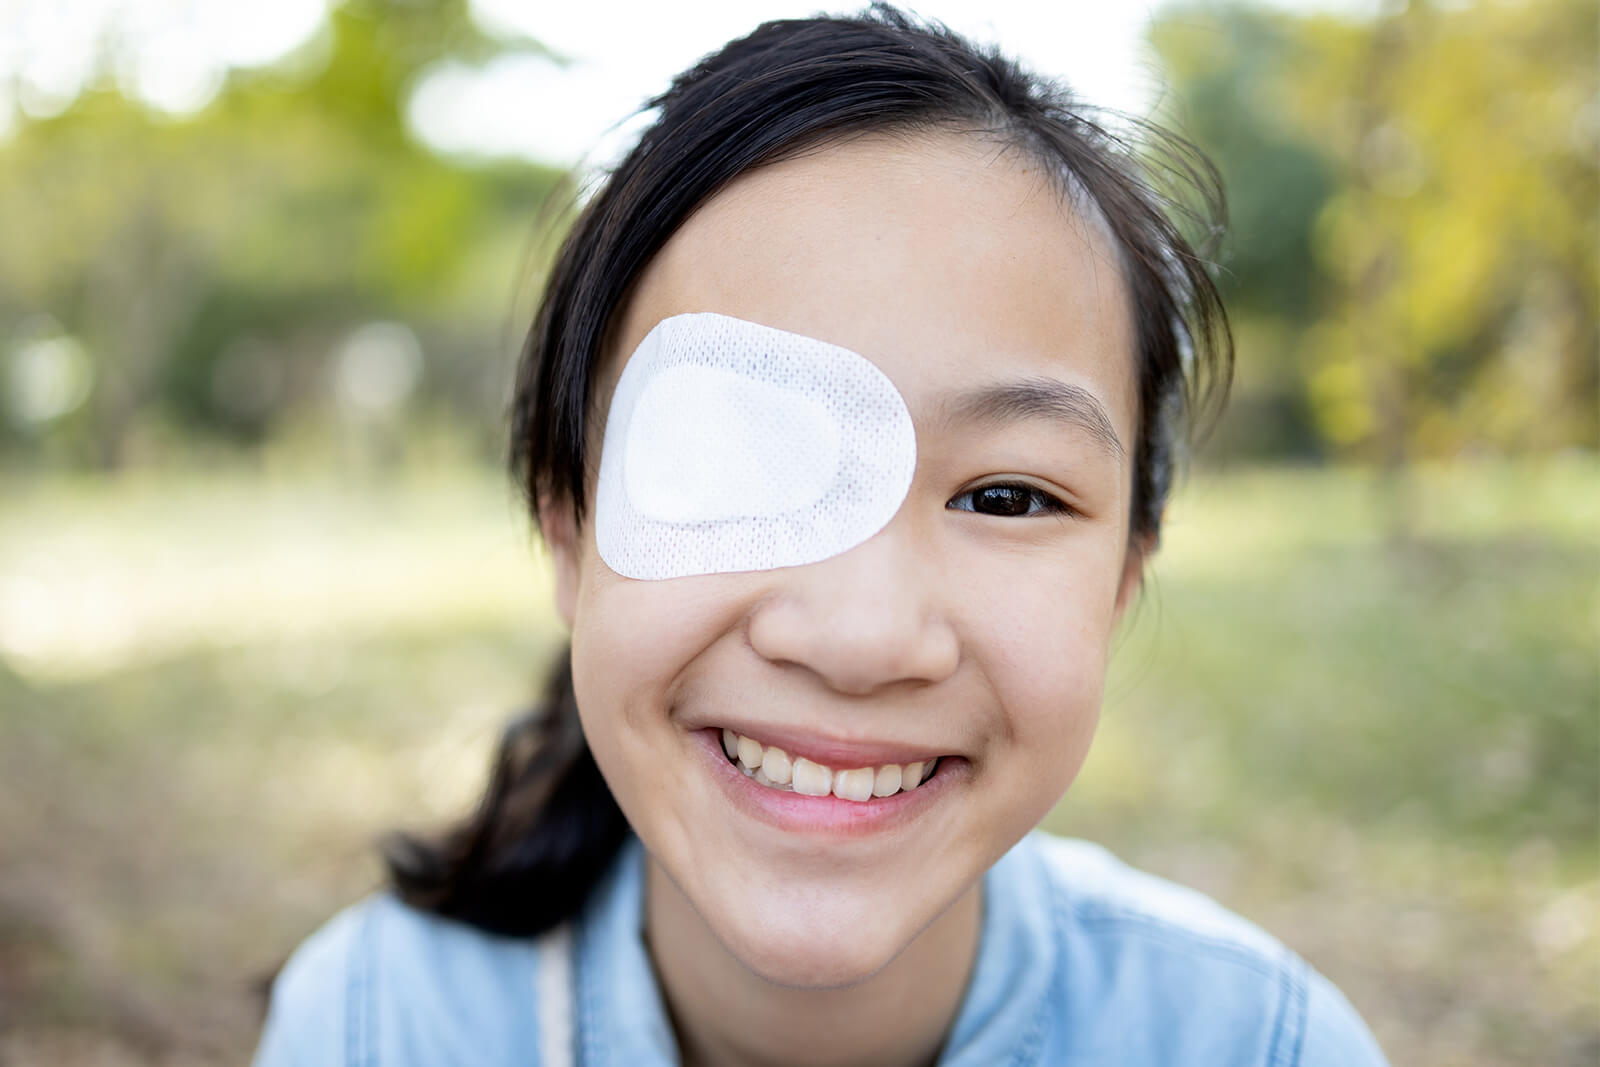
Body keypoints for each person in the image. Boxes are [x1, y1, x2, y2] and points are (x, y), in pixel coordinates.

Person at [253, 7, 1389, 1065]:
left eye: (1004, 497)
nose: (859, 635)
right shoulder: (371, 1024)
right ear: (568, 528)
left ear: (1124, 574)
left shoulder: (1265, 1043)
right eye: (730, 459)